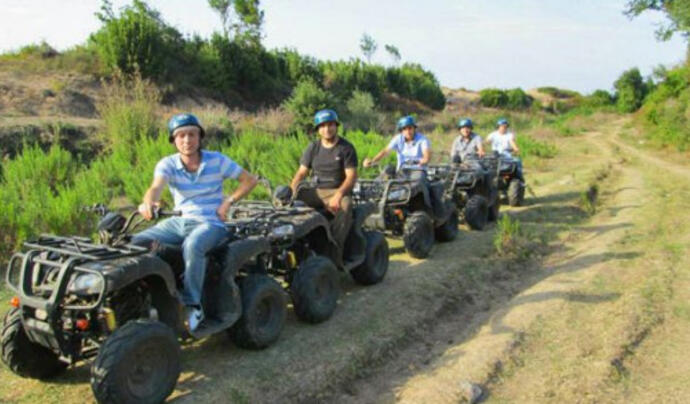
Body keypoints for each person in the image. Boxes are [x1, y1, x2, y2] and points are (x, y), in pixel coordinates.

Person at [132, 113, 258, 331]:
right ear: (174, 140)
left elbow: (250, 180)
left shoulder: (217, 160)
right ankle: (142, 299)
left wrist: (228, 202)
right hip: (179, 221)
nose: (187, 140)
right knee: (136, 241)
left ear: (200, 137)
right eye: (180, 135)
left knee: (194, 245)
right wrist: (147, 202)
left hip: (212, 222)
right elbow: (156, 187)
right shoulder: (167, 164)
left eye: (191, 134)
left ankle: (193, 304)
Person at [289, 109, 358, 250]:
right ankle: (292, 242)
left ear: (336, 126)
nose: (327, 129)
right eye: (323, 126)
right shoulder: (313, 148)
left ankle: (334, 250)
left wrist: (338, 195)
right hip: (317, 191)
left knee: (345, 207)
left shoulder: (346, 148)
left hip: (338, 190)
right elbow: (301, 173)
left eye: (330, 125)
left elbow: (351, 177)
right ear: (318, 129)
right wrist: (291, 191)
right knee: (285, 203)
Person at [363, 115, 431, 181]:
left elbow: (426, 156)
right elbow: (385, 151)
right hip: (402, 171)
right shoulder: (398, 139)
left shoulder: (422, 139)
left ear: (414, 128)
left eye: (410, 128)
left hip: (417, 170)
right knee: (387, 172)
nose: (408, 131)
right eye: (404, 129)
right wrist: (372, 161)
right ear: (401, 131)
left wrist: (422, 160)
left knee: (415, 184)